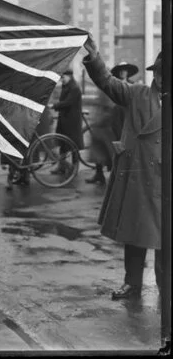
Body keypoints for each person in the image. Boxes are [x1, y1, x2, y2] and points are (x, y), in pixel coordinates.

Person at [83, 36, 162, 300]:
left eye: (165, 73)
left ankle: (165, 288)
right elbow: (107, 82)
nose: (160, 78)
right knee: (135, 233)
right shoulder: (137, 93)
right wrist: (94, 59)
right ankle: (132, 283)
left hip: (165, 181)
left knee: (166, 241)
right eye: (158, 73)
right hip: (140, 176)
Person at [85, 61, 137, 185]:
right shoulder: (111, 86)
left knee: (114, 151)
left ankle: (119, 176)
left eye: (125, 70)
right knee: (98, 150)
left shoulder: (132, 86)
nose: (123, 72)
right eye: (121, 70)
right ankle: (99, 174)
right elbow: (103, 103)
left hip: (118, 123)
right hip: (105, 123)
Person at [50, 69, 83, 175]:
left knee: (73, 145)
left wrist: (55, 105)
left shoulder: (75, 88)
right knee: (63, 143)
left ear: (69, 76)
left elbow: (68, 102)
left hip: (72, 121)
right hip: (65, 119)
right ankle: (62, 166)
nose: (61, 80)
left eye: (63, 77)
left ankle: (74, 167)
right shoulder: (67, 86)